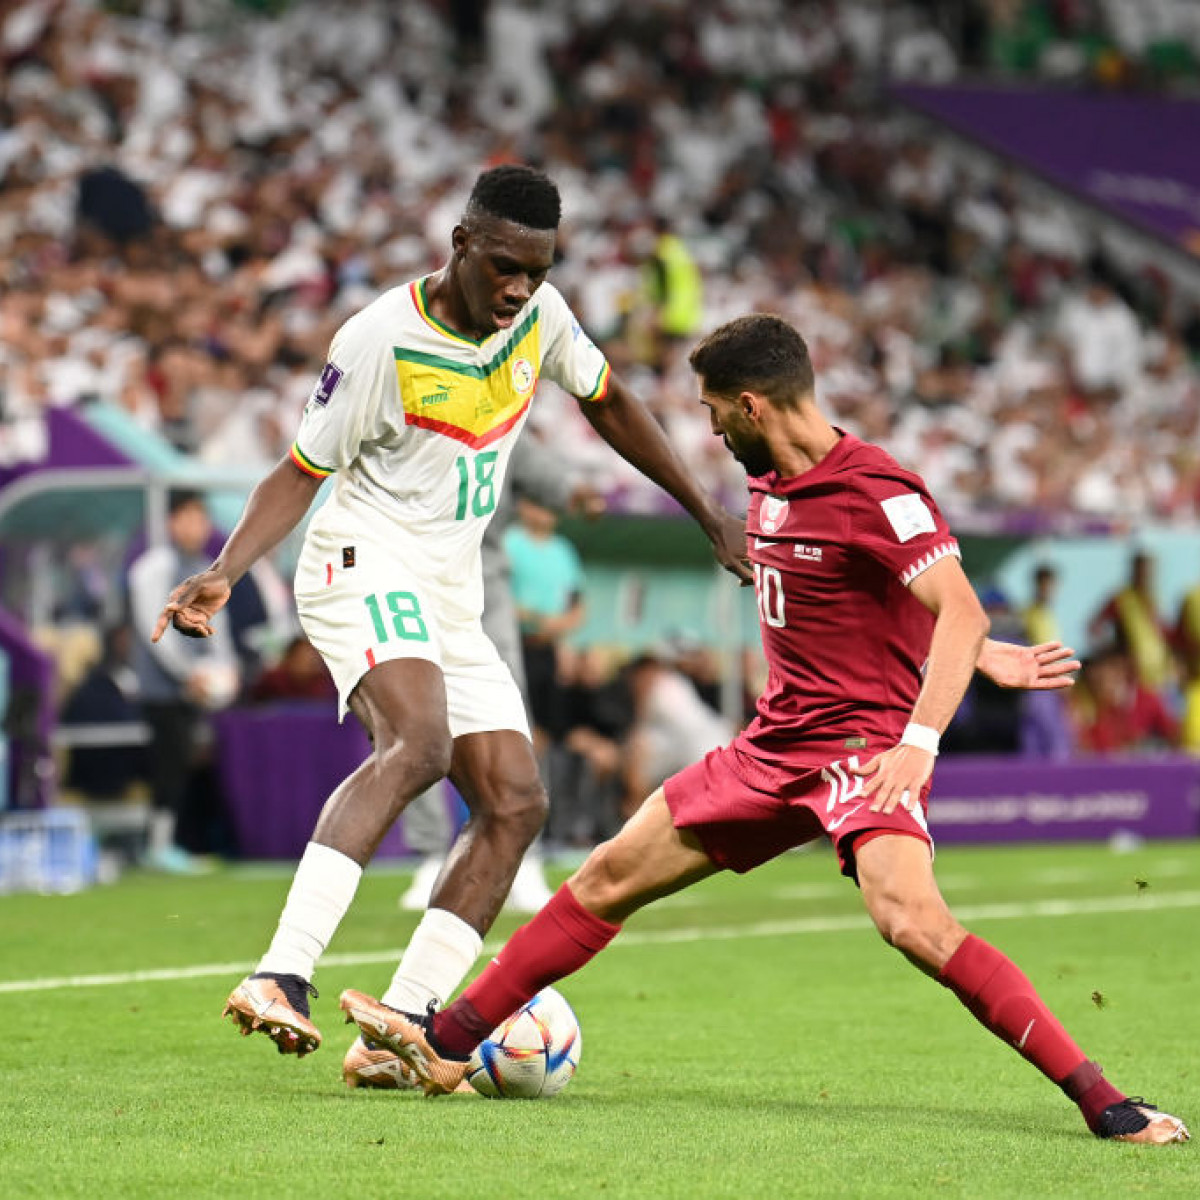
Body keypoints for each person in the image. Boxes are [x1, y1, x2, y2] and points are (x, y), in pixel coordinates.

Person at [339, 314, 1187, 1145]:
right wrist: (976, 648)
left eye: (712, 413)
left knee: (913, 925)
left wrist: (926, 726)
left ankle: (1103, 1100)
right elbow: (870, 605)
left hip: (863, 751)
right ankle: (441, 1048)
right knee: (603, 879)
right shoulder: (767, 480)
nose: (709, 432)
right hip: (769, 749)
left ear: (752, 406)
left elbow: (955, 606)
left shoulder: (877, 489)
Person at [152, 166, 749, 1076]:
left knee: (517, 802)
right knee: (421, 747)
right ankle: (282, 973)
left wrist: (708, 514)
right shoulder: (380, 340)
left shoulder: (540, 321)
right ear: (462, 243)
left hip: (449, 586)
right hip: (360, 561)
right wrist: (227, 570)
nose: (519, 289)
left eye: (537, 272)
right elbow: (299, 471)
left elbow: (612, 404)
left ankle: (404, 1026)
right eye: (505, 266)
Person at [130, 490, 240, 872]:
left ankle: (172, 843)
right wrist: (190, 673)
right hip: (162, 689)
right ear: (172, 522)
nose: (196, 526)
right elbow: (153, 626)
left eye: (201, 518)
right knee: (168, 766)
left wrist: (225, 667)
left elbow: (218, 625)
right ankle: (158, 848)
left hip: (197, 689)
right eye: (188, 517)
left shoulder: (205, 569)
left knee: (185, 767)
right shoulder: (152, 568)